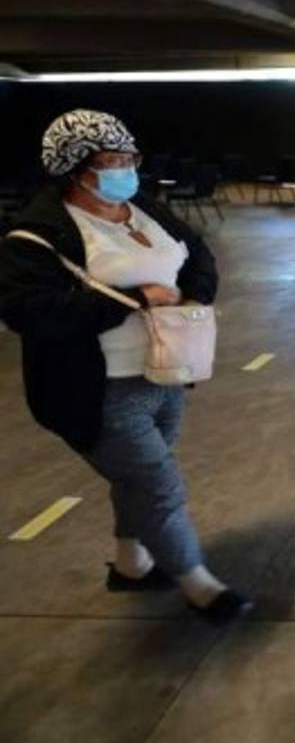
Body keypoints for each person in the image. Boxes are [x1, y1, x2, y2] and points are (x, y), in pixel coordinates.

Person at [0, 109, 253, 623]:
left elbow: (197, 253)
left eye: (129, 158)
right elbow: (31, 314)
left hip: (165, 372)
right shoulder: (34, 239)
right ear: (75, 170)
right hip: (97, 390)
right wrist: (134, 298)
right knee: (157, 483)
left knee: (135, 478)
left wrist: (193, 294)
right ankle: (199, 585)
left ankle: (131, 564)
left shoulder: (144, 208)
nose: (125, 169)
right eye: (111, 161)